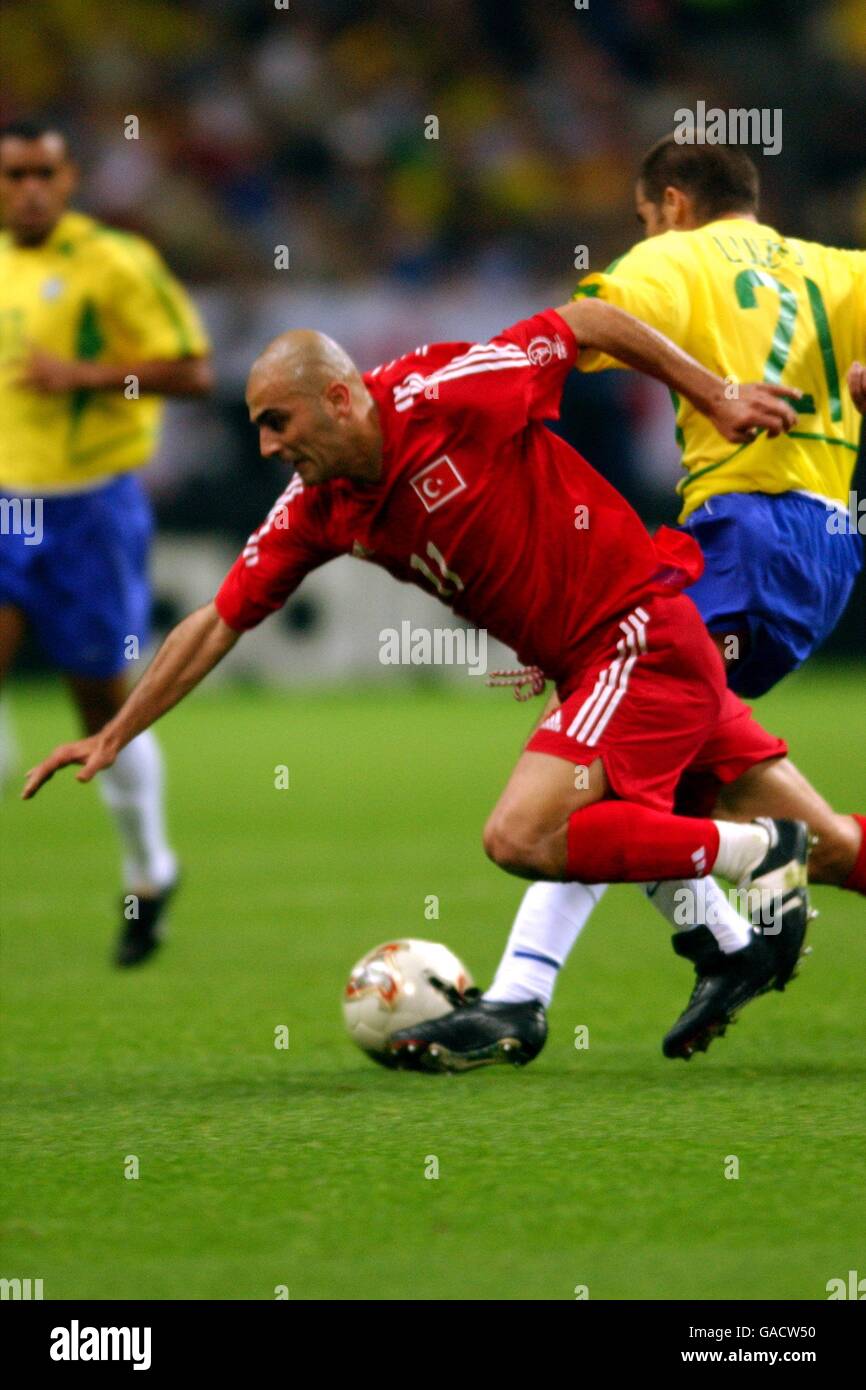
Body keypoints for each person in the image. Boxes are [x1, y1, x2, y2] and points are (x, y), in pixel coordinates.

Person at [22, 295, 823, 1071]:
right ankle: (702, 950)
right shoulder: (320, 506)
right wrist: (116, 730)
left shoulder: (448, 394)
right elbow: (218, 620)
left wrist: (715, 394)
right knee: (628, 823)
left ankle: (761, 852)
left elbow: (585, 324)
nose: (266, 446)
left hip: (639, 634)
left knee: (522, 834)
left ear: (338, 398)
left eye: (278, 422)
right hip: (591, 661)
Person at [486, 137, 866, 1058]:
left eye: (645, 217)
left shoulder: (673, 258)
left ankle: (518, 999)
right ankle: (726, 945)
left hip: (744, 531)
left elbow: (585, 327)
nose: (645, 230)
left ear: (670, 203)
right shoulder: (835, 267)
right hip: (827, 543)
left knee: (591, 771)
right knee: (716, 801)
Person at [0, 120, 213, 964]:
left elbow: (192, 370)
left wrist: (88, 376)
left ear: (70, 176)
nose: (28, 190)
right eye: (13, 176)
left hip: (92, 510)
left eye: (42, 173)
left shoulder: (115, 262)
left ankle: (150, 867)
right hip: (8, 503)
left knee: (101, 707)